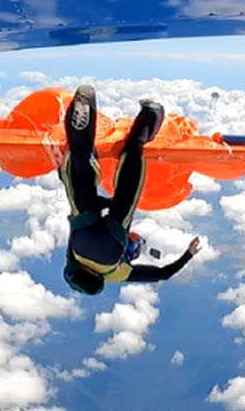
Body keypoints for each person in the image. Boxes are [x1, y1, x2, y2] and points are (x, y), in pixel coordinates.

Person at [58, 85, 202, 296]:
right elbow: (81, 214)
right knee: (81, 173)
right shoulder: (75, 257)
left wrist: (188, 254)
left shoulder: (117, 274)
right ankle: (81, 128)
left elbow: (163, 274)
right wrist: (97, 200)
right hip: (82, 237)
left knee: (131, 166)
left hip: (112, 247)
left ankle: (151, 111)